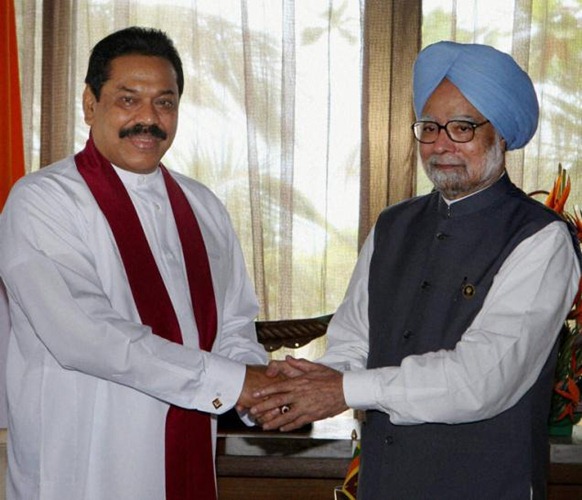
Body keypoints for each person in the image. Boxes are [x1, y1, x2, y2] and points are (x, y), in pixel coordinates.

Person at [250, 41, 582, 499]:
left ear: (501, 135)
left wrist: (342, 388)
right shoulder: (392, 226)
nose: (441, 144)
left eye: (462, 128)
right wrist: (298, 386)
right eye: (429, 127)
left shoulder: (540, 239)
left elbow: (481, 380)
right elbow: (351, 344)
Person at [0, 26, 276, 500]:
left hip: (187, 462)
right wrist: (234, 384)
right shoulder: (41, 201)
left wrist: (261, 391)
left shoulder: (203, 206)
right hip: (81, 466)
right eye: (128, 100)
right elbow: (88, 336)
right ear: (90, 104)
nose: (148, 119)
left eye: (164, 103)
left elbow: (235, 324)